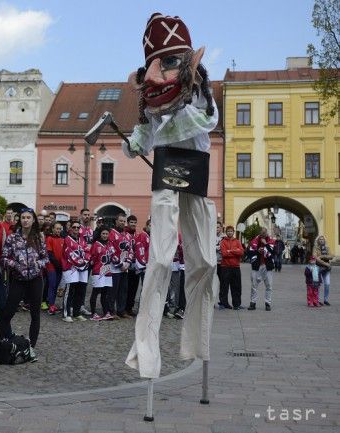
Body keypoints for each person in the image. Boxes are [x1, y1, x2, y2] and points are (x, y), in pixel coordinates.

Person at [124, 12, 219, 379]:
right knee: (160, 260)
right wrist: (134, 142)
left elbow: (204, 121)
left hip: (193, 176)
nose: (154, 74)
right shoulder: (152, 105)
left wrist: (164, 122)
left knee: (205, 262)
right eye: (151, 64)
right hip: (166, 176)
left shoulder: (200, 96)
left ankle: (198, 343)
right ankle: (146, 353)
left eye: (166, 62)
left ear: (189, 63)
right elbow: (143, 137)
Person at [0, 208, 48, 361]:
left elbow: (45, 258)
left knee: (35, 315)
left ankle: (31, 348)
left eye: (28, 217)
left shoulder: (39, 238)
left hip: (36, 280)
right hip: (18, 280)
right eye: (23, 217)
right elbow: (4, 258)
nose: (25, 220)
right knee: (7, 313)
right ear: (19, 220)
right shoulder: (12, 238)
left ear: (33, 220)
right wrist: (16, 264)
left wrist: (37, 264)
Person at [61, 220, 91, 322]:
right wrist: (80, 262)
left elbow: (87, 251)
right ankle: (66, 314)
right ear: (70, 228)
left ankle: (77, 312)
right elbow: (69, 254)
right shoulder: (67, 239)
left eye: (78, 227)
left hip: (83, 268)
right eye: (74, 227)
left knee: (80, 290)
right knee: (70, 290)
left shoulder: (82, 239)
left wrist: (85, 260)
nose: (76, 229)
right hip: (71, 268)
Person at [108, 213, 133, 319]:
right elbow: (111, 250)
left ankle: (121, 310)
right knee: (113, 291)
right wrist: (120, 264)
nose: (122, 223)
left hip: (125, 267)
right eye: (120, 221)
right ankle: (111, 311)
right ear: (116, 221)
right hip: (114, 267)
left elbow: (131, 249)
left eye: (124, 221)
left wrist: (127, 262)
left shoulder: (127, 235)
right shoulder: (111, 234)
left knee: (123, 290)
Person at [89, 227, 114, 321]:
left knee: (105, 293)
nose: (105, 235)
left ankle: (106, 312)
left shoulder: (110, 244)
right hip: (98, 272)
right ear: (100, 234)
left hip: (107, 272)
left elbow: (113, 256)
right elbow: (92, 258)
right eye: (103, 233)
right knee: (95, 292)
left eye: (107, 234)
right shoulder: (96, 244)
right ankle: (93, 313)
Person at [248, 227, 275, 311]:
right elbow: (249, 253)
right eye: (262, 233)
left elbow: (273, 252)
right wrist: (257, 251)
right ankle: (253, 303)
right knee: (254, 285)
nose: (263, 234)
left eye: (265, 233)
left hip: (267, 266)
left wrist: (266, 243)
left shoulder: (271, 241)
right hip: (257, 266)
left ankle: (268, 303)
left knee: (269, 286)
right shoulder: (254, 241)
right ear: (260, 233)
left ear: (267, 233)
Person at [220, 226, 244, 310]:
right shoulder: (223, 242)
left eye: (231, 231)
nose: (230, 232)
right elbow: (224, 254)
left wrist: (230, 251)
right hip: (225, 267)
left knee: (236, 287)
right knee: (224, 286)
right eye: (228, 231)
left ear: (233, 232)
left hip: (235, 267)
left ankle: (236, 304)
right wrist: (235, 252)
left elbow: (241, 252)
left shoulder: (237, 241)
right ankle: (224, 303)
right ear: (226, 232)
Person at [45, 222, 64, 315]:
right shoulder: (49, 238)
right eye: (56, 228)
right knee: (52, 285)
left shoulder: (62, 239)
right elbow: (50, 253)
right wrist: (58, 265)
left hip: (60, 267)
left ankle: (52, 303)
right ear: (53, 229)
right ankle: (51, 305)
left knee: (56, 286)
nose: (58, 230)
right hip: (52, 266)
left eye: (59, 229)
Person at [313, 235, 334, 306]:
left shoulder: (327, 247)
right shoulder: (315, 248)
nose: (321, 240)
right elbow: (315, 258)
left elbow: (331, 256)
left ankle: (325, 299)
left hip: (326, 269)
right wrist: (326, 263)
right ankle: (317, 300)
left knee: (327, 284)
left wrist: (322, 256)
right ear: (318, 241)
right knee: (317, 284)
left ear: (324, 240)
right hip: (318, 268)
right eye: (320, 239)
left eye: (323, 239)